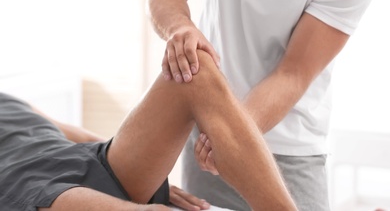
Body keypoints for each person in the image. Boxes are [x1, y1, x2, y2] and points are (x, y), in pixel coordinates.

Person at [148, 0, 377, 210]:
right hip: (207, 134)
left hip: (290, 152)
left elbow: (292, 74)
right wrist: (180, 27)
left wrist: (230, 133)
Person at [0, 51, 297, 211]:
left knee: (195, 70)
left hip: (85, 160)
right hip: (20, 186)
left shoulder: (7, 99)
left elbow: (73, 134)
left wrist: (152, 174)